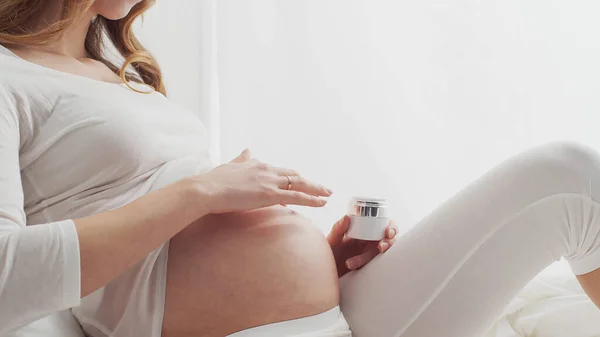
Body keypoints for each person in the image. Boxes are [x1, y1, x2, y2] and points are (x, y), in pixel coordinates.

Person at [1, 1, 600, 337]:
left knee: (573, 180)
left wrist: (323, 262)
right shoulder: (10, 75)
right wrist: (202, 191)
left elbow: (189, 251)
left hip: (330, 316)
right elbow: (6, 277)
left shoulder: (117, 74)